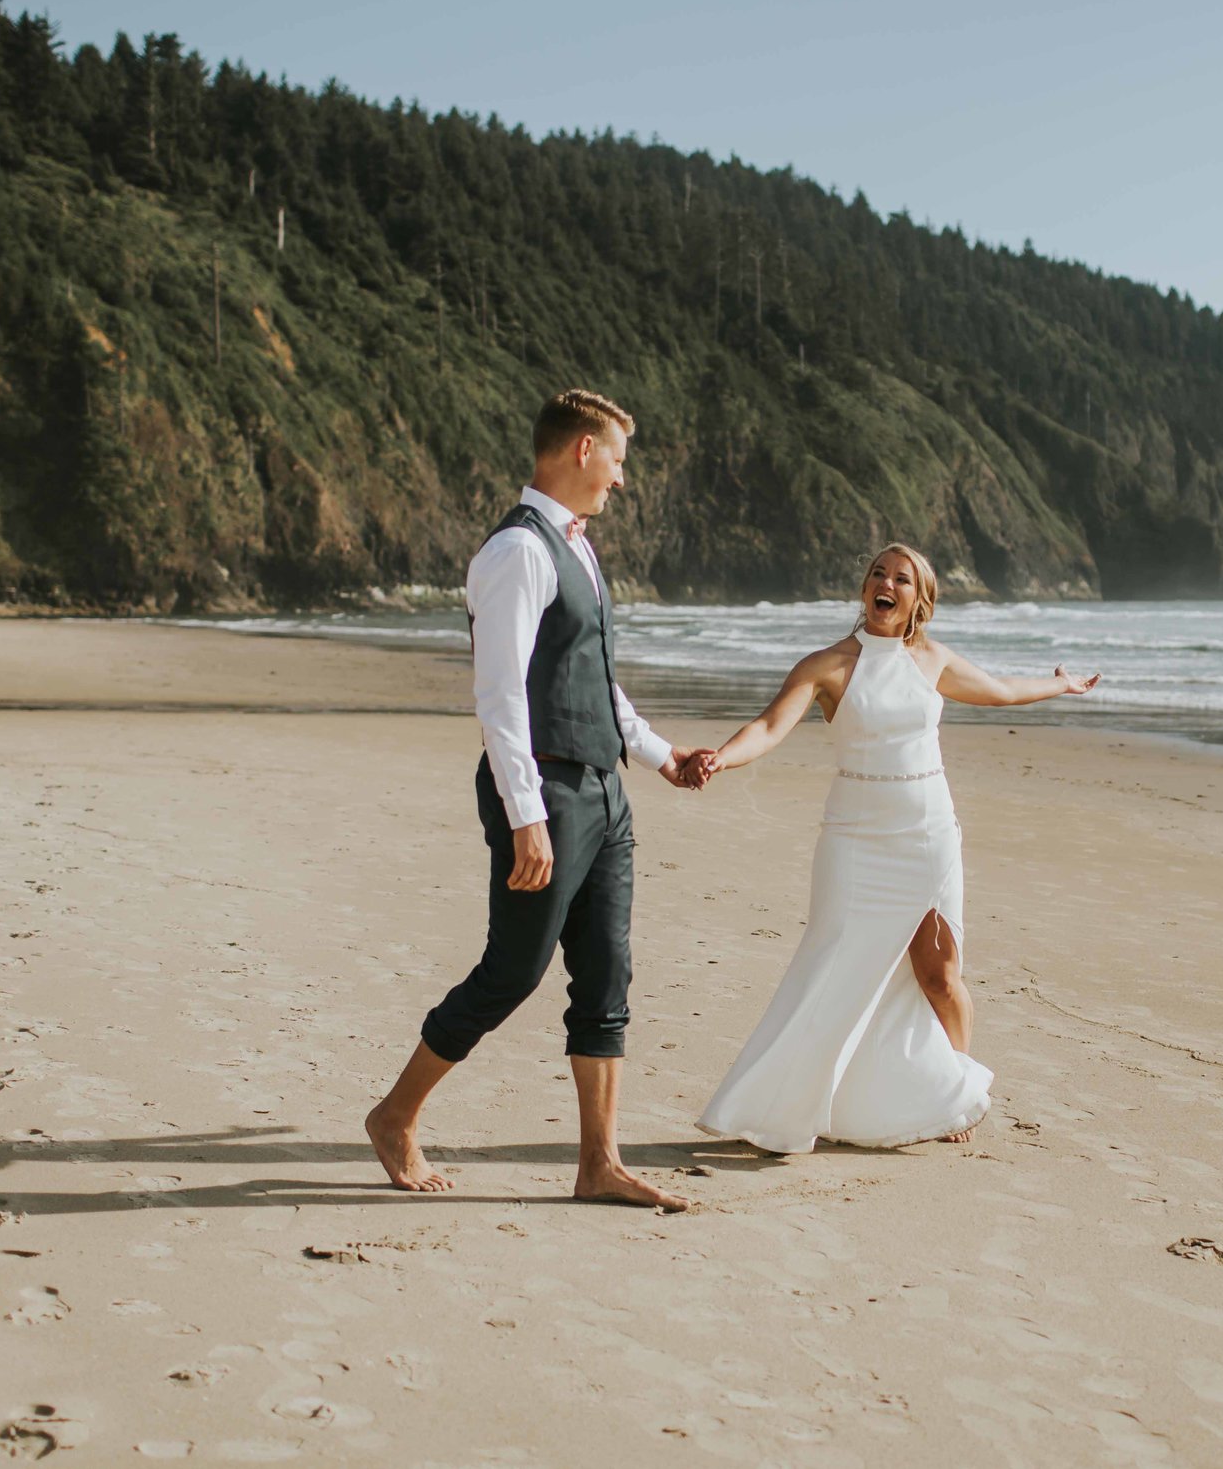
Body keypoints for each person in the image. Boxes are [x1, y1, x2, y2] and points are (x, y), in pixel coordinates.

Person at [364, 389, 711, 1209]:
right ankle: (394, 1113)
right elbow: (501, 695)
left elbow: (592, 674)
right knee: (512, 969)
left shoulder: (578, 548)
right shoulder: (518, 552)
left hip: (603, 787)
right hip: (545, 789)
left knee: (606, 974)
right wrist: (526, 815)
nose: (622, 481)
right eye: (619, 461)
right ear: (583, 449)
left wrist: (659, 757)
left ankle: (599, 1163)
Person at [692, 544, 1099, 1154]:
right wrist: (722, 756)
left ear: (918, 599)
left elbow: (1000, 690)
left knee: (939, 974)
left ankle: (954, 1092)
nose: (885, 583)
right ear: (865, 590)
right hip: (854, 841)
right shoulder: (828, 665)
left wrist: (1058, 684)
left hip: (929, 835)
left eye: (900, 578)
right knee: (830, 972)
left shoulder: (932, 660)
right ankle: (793, 1101)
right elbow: (770, 726)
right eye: (877, 574)